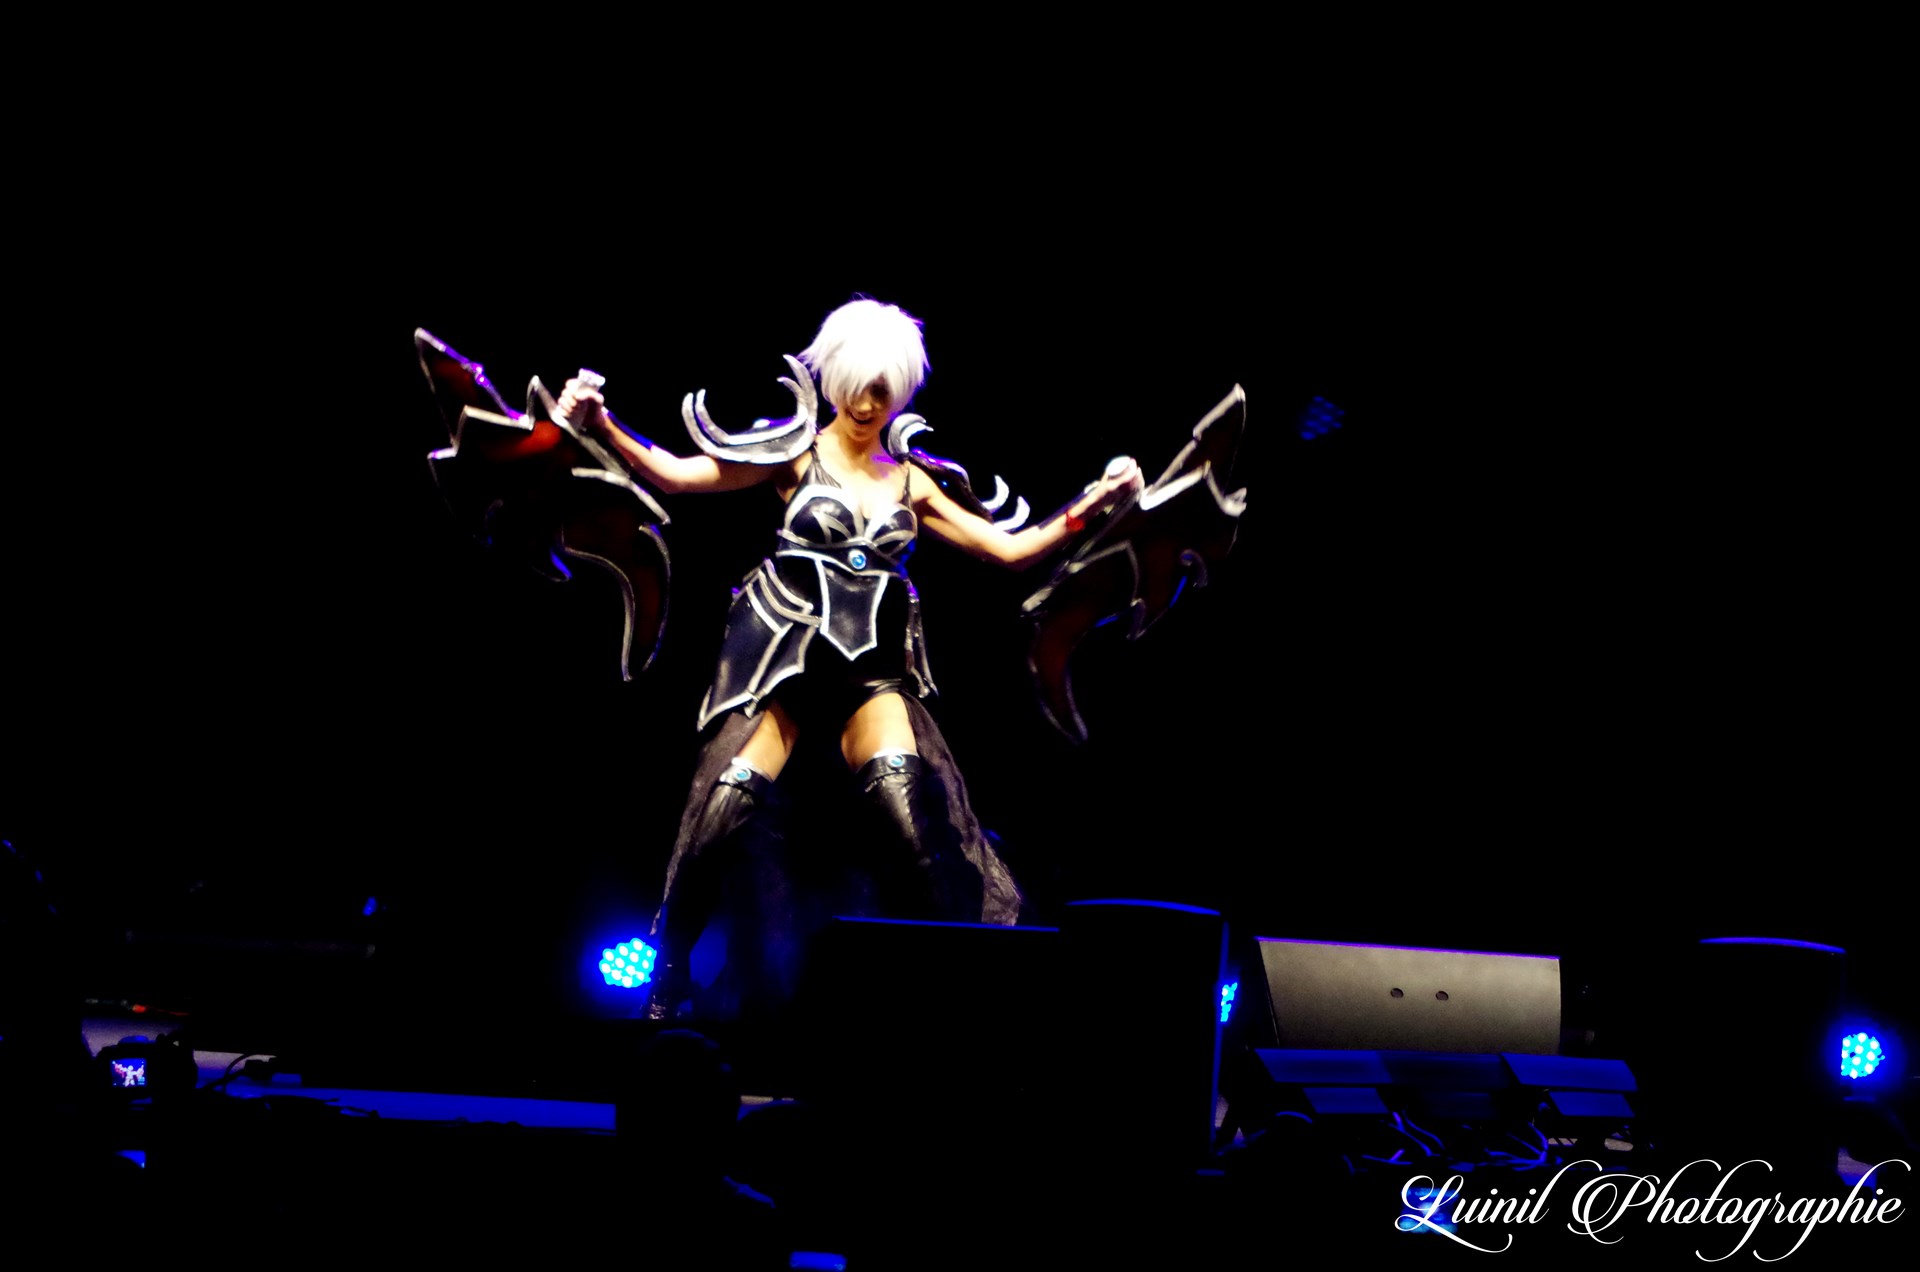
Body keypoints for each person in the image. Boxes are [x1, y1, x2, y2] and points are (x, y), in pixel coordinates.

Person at [558, 298, 1141, 1020]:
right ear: (835, 378)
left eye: (883, 392)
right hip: (785, 663)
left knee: (909, 811)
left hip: (873, 674)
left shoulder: (910, 480)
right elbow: (677, 475)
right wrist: (601, 423)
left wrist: (1098, 500)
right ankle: (670, 974)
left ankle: (956, 982)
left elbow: (1010, 551)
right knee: (724, 806)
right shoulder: (794, 451)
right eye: (859, 387)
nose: (868, 405)